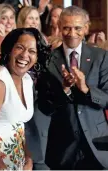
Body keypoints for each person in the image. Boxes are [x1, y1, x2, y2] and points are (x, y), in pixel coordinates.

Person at [37, 6, 108, 169]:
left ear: (86, 28)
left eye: (77, 28)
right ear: (60, 27)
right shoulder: (48, 60)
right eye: (67, 28)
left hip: (97, 146)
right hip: (62, 147)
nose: (72, 33)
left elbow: (107, 98)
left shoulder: (101, 57)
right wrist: (65, 90)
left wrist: (86, 89)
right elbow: (44, 106)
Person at [0, 28, 47, 170]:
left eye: (32, 51)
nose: (25, 55)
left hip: (16, 161)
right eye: (20, 48)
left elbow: (19, 126)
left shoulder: (27, 80)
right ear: (9, 50)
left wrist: (28, 158)